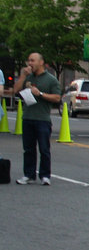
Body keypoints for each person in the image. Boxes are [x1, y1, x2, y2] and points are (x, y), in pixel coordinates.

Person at [11, 53, 61, 185]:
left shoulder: (51, 79)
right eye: (29, 61)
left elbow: (57, 97)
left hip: (42, 119)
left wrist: (41, 94)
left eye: (32, 61)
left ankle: (45, 175)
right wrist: (22, 75)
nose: (30, 63)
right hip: (27, 117)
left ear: (41, 62)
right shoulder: (28, 77)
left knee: (44, 148)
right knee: (28, 148)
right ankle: (29, 174)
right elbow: (15, 90)